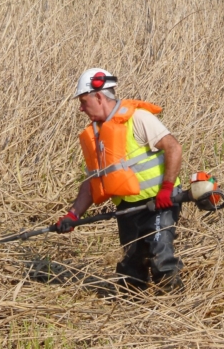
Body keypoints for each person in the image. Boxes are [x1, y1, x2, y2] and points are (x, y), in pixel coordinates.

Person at [56, 68, 184, 293]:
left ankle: (176, 303)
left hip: (159, 201)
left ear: (98, 97)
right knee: (131, 265)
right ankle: (133, 307)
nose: (81, 107)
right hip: (128, 208)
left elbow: (173, 147)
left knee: (160, 253)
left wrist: (166, 188)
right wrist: (73, 215)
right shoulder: (96, 137)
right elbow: (91, 182)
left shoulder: (138, 118)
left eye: (84, 101)